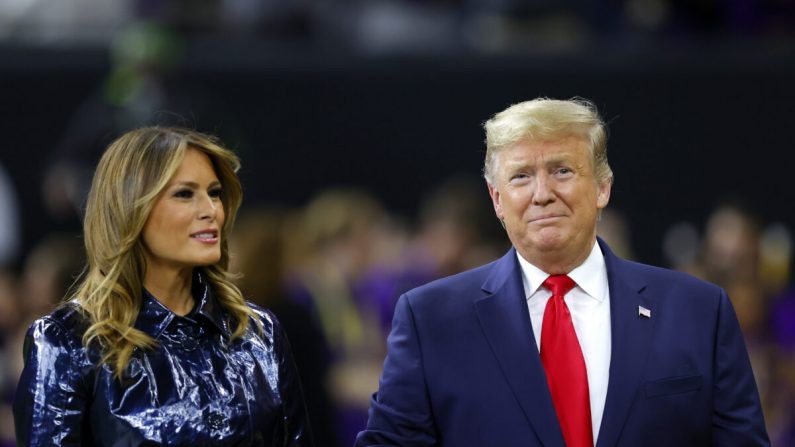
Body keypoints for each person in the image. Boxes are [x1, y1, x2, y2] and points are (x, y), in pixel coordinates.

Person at [355, 98, 769, 446]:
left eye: (562, 171)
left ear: (603, 187)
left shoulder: (698, 311)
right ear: (497, 199)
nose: (542, 194)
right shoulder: (429, 320)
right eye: (521, 177)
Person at [13, 127, 312, 446]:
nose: (210, 210)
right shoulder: (68, 342)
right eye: (185, 194)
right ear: (131, 209)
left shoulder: (259, 334)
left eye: (213, 193)